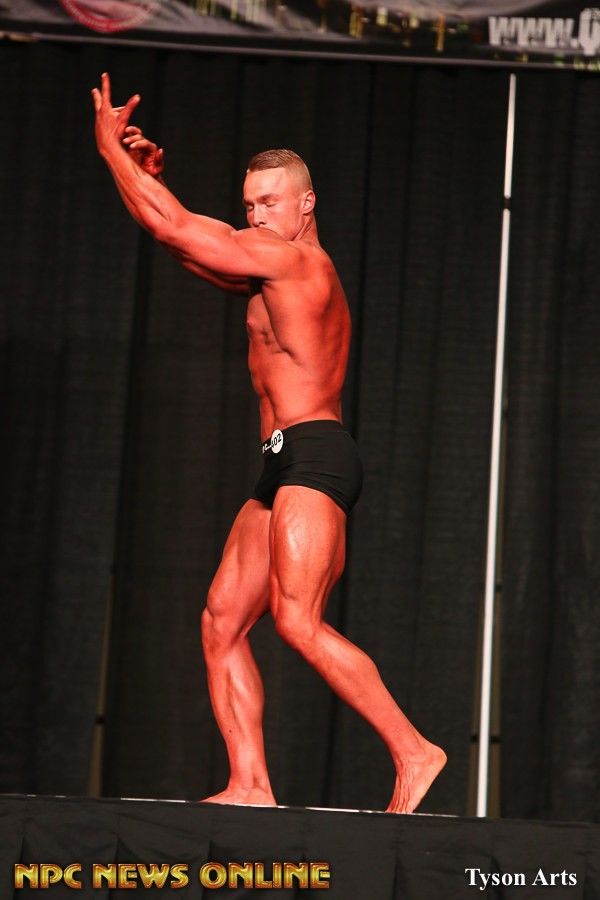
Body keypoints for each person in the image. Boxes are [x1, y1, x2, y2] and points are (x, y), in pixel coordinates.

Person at [92, 72, 446, 813]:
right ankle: (251, 784)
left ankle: (414, 751)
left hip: (317, 454)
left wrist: (110, 151)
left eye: (270, 203)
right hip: (280, 461)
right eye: (249, 205)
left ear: (306, 204)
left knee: (296, 620)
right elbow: (187, 247)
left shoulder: (298, 263)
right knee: (222, 621)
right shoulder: (266, 272)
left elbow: (177, 229)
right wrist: (147, 179)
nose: (255, 216)